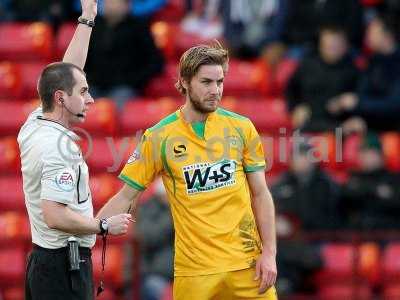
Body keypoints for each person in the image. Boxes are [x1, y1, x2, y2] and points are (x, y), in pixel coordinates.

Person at [97, 42, 278, 299]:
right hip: (195, 272)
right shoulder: (159, 137)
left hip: (247, 267)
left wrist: (269, 253)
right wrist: (90, 232)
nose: (215, 90)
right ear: (184, 81)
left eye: (220, 82)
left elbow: (261, 193)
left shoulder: (242, 127)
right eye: (206, 82)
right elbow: (126, 197)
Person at [17, 1, 132, 299]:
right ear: (60, 98)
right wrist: (103, 225)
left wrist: (87, 18)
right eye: (83, 93)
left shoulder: (34, 121)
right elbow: (54, 214)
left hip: (43, 262)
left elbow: (69, 72)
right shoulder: (60, 148)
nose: (90, 100)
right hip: (63, 269)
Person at [85, 0, 164, 109]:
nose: (111, 5)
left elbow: (156, 62)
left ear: (127, 6)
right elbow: (84, 58)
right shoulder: (94, 26)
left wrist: (134, 81)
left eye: (116, 2)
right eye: (108, 2)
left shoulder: (139, 28)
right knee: (78, 103)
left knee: (114, 108)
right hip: (94, 85)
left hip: (124, 87)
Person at [327, 13, 400, 132]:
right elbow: (362, 93)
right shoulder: (373, 61)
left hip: (393, 128)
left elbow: (395, 105)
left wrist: (358, 103)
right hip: (371, 125)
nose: (367, 37)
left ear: (387, 36)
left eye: (371, 32)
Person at [286, 24, 359, 132]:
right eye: (329, 46)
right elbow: (291, 89)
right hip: (308, 122)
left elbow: (360, 100)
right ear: (321, 45)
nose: (332, 50)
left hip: (338, 125)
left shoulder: (353, 70)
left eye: (336, 46)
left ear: (345, 46)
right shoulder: (308, 65)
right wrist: (295, 107)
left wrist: (346, 102)